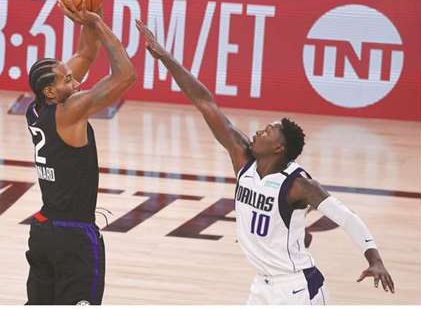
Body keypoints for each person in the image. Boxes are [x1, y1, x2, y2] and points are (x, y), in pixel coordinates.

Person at [135, 20, 394, 305]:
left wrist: (375, 259)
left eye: (268, 131)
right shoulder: (243, 160)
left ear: (280, 148)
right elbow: (204, 102)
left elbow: (346, 218)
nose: (259, 131)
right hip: (262, 285)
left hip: (297, 288)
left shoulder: (298, 185)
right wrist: (165, 57)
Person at [24, 0, 136, 304]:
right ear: (50, 92)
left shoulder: (37, 110)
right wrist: (100, 23)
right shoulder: (69, 110)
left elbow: (87, 54)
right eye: (66, 79)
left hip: (43, 230)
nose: (74, 80)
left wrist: (91, 9)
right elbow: (125, 75)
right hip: (73, 236)